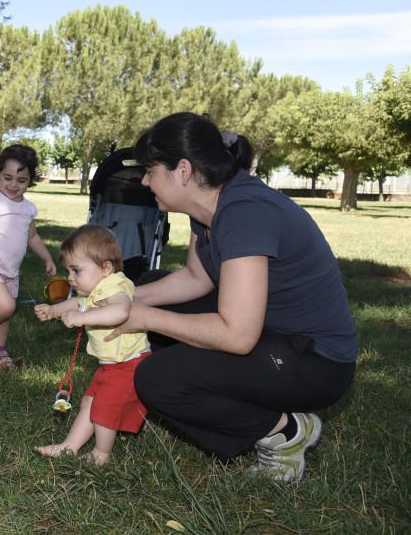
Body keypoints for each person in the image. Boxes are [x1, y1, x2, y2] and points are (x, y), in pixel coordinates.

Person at [112, 112, 357, 482]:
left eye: (150, 170)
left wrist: (141, 316)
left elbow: (238, 335)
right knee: (151, 286)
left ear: (182, 171)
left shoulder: (244, 212)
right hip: (273, 336)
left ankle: (285, 431)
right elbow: (196, 279)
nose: (145, 181)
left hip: (315, 362)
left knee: (158, 379)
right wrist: (120, 297)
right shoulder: (208, 208)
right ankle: (237, 397)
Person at [33, 225, 151, 465]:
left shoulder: (117, 286)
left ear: (105, 267)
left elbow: (120, 311)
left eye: (76, 270)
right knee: (89, 402)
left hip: (128, 363)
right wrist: (54, 310)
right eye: (69, 271)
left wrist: (83, 318)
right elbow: (78, 302)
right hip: (110, 364)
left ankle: (101, 454)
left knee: (104, 410)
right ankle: (70, 446)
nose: (70, 277)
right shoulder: (96, 287)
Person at [0, 144, 56, 369]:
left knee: (5, 313)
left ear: (30, 180)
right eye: (7, 177)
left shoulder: (28, 209)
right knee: (6, 306)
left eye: (21, 180)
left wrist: (47, 258)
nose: (13, 185)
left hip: (11, 271)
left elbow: (32, 236)